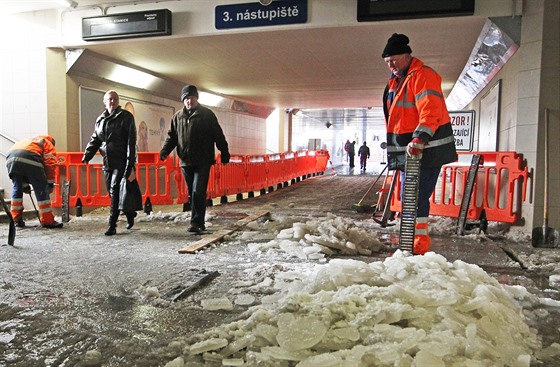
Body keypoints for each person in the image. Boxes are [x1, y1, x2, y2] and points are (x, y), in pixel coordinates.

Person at [381, 33, 457, 255]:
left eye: (394, 60)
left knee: (416, 196)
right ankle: (411, 238)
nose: (391, 65)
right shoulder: (398, 80)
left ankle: (419, 242)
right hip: (411, 152)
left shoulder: (423, 75)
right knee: (409, 196)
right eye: (387, 62)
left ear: (406, 56)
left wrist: (420, 138)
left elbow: (430, 110)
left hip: (426, 150)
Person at [160, 85, 230, 234]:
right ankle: (199, 221)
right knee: (192, 193)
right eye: (186, 99)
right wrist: (165, 151)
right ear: (183, 100)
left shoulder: (207, 115)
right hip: (185, 161)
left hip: (203, 160)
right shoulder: (177, 117)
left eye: (191, 98)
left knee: (198, 191)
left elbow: (218, 134)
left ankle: (196, 222)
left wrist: (224, 152)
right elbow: (172, 137)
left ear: (196, 98)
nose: (189, 101)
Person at [82, 90, 138, 236]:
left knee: (115, 189)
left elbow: (131, 142)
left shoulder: (126, 117)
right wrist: (87, 155)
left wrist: (130, 163)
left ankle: (112, 224)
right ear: (105, 102)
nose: (112, 102)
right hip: (107, 162)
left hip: (121, 161)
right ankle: (129, 213)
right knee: (112, 193)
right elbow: (96, 138)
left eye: (114, 99)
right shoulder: (100, 119)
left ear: (118, 101)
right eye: (109, 99)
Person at [5, 135, 63, 229]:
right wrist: (49, 183)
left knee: (17, 188)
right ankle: (47, 221)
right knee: (41, 188)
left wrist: (24, 185)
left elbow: (20, 163)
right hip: (30, 158)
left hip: (11, 159)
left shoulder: (28, 140)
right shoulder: (47, 143)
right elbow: (50, 164)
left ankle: (16, 220)